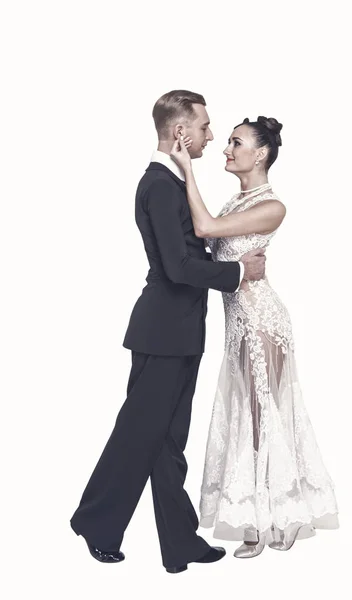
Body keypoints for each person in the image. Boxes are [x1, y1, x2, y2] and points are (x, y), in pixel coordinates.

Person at [70, 90, 266, 574]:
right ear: (181, 132)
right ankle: (95, 522)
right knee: (138, 435)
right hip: (161, 330)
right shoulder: (158, 184)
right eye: (204, 127)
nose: (211, 135)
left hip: (179, 331)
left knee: (166, 441)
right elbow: (179, 267)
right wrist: (238, 274)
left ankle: (180, 544)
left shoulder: (175, 181)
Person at [170, 115, 339, 558]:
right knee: (244, 413)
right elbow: (205, 240)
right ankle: (256, 520)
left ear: (260, 153)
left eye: (236, 142)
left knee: (264, 416)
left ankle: (268, 523)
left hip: (263, 321)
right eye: (226, 142)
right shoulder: (232, 204)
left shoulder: (272, 206)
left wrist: (188, 168)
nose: (226, 149)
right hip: (236, 324)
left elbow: (203, 229)